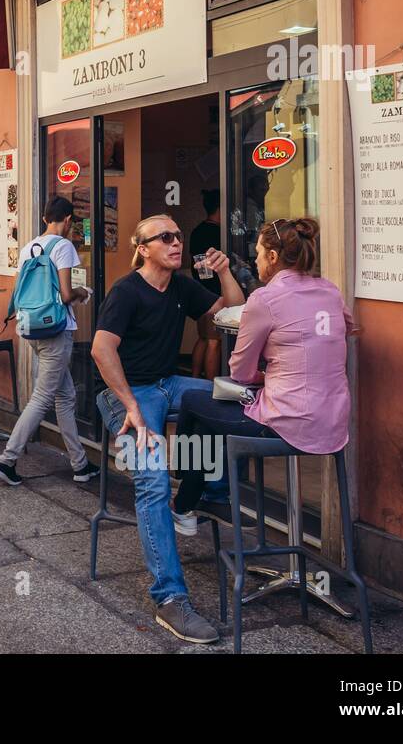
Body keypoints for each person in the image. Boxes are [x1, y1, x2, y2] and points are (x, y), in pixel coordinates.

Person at [90, 214, 245, 645]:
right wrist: (132, 408)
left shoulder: (180, 286)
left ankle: (198, 492)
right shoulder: (126, 291)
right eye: (166, 238)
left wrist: (225, 271)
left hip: (168, 384)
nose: (177, 243)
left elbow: (231, 313)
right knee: (153, 481)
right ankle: (170, 597)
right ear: (143, 248)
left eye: (178, 236)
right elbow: (102, 350)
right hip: (125, 394)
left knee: (228, 399)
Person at [172, 218, 351, 519]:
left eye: (257, 252)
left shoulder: (264, 298)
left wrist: (264, 376)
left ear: (272, 256)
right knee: (210, 412)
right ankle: (201, 498)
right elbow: (345, 329)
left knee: (195, 401)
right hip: (333, 422)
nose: (254, 260)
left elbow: (240, 373)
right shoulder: (330, 291)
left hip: (287, 422)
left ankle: (186, 497)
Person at [0, 196, 96, 486]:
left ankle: (80, 464)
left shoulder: (27, 248)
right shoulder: (63, 247)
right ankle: (7, 459)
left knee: (66, 396)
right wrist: (83, 291)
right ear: (69, 220)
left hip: (32, 327)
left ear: (44, 218)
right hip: (56, 330)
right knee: (42, 397)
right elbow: (64, 294)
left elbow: (18, 290)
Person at [189, 189, 223, 380]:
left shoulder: (197, 231)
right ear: (221, 208)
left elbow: (199, 266)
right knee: (214, 342)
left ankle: (193, 379)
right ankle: (211, 387)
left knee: (203, 338)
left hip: (199, 292)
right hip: (213, 294)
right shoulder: (217, 233)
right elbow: (209, 270)